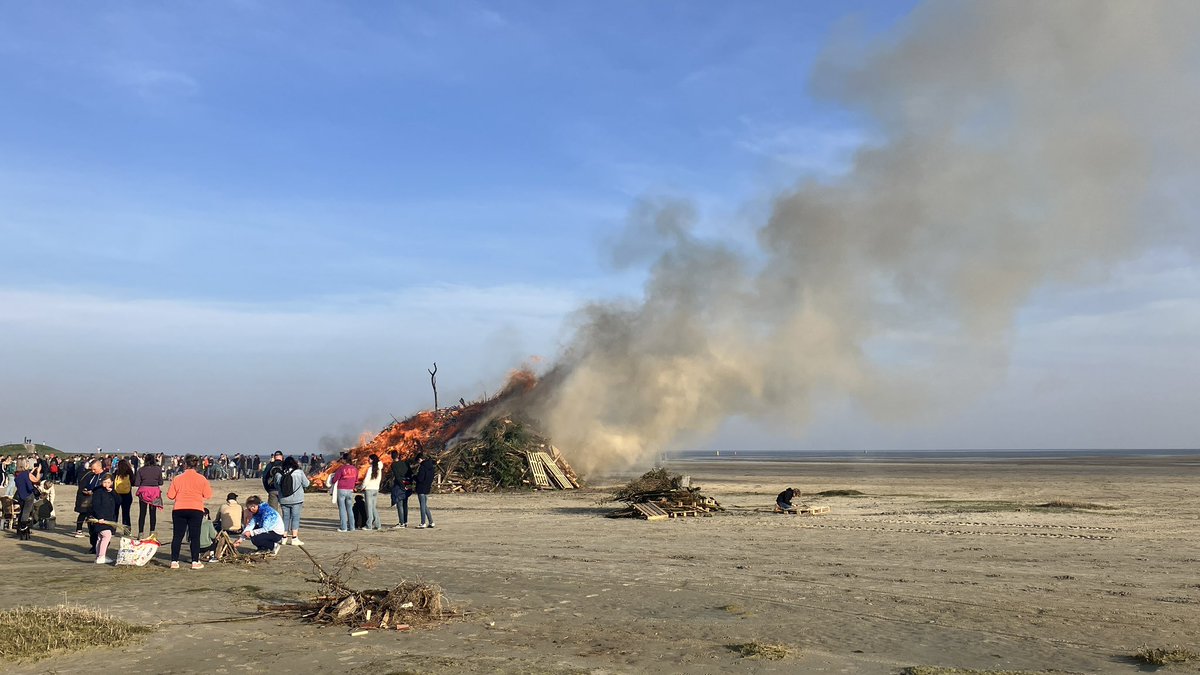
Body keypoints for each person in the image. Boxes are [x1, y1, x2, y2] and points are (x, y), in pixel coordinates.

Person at [167, 454, 212, 570]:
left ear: (185, 464)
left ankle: (174, 561)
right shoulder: (202, 479)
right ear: (197, 465)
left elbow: (170, 495)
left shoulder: (177, 478)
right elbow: (208, 495)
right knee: (195, 536)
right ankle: (195, 561)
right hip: (196, 509)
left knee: (177, 536)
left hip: (179, 508)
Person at [275, 456, 310, 545]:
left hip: (283, 500)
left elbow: (276, 486)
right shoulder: (299, 472)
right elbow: (306, 484)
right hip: (297, 499)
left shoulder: (279, 474)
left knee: (285, 518)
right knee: (295, 518)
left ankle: (284, 537)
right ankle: (294, 538)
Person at [89, 473, 120, 564]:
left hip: (109, 518)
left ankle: (99, 556)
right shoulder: (98, 492)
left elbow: (119, 501)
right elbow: (96, 506)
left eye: (108, 482)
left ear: (112, 482)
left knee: (100, 537)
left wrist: (113, 492)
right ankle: (101, 556)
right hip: (100, 518)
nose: (106, 484)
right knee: (107, 535)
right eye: (105, 482)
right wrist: (100, 517)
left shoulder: (112, 491)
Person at [134, 453, 164, 538]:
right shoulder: (158, 469)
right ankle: (152, 532)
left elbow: (137, 483)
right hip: (154, 493)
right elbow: (161, 482)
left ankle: (140, 533)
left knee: (142, 513)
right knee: (153, 513)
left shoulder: (141, 470)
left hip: (144, 492)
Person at [74, 459, 104, 538]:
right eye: (92, 469)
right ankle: (80, 530)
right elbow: (87, 486)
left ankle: (81, 530)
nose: (93, 471)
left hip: (93, 499)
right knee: (85, 514)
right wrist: (87, 491)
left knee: (86, 514)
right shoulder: (91, 475)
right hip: (87, 498)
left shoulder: (103, 475)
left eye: (94, 469)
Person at [330, 453, 358, 533]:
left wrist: (331, 480)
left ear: (345, 460)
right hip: (350, 490)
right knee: (349, 509)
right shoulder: (355, 469)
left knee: (342, 509)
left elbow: (335, 479)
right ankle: (352, 527)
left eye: (342, 459)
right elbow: (356, 480)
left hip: (341, 489)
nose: (341, 460)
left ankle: (343, 527)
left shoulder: (342, 469)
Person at [388, 450, 415, 529]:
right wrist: (409, 483)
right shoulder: (405, 463)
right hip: (407, 483)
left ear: (392, 457)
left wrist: (402, 486)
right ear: (398, 456)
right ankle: (405, 521)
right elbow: (410, 473)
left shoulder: (394, 465)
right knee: (405, 504)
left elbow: (397, 476)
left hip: (400, 485)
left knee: (399, 503)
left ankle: (401, 523)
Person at [361, 453, 383, 531]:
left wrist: (362, 487)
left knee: (369, 508)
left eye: (369, 459)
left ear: (372, 460)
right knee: (373, 507)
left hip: (369, 489)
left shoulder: (371, 469)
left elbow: (366, 479)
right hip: (376, 489)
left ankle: (369, 525)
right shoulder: (379, 469)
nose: (368, 460)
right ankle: (378, 524)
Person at [414, 452, 436, 529]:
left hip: (421, 488)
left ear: (420, 459)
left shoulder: (422, 467)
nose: (418, 462)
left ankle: (423, 523)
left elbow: (420, 478)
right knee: (425, 506)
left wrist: (414, 477)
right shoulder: (431, 466)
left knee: (422, 506)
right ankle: (431, 522)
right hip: (427, 487)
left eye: (418, 461)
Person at [113, 459, 135, 530]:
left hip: (117, 495)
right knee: (126, 514)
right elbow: (133, 482)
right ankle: (126, 530)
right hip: (127, 495)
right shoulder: (129, 472)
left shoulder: (117, 472)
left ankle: (113, 529)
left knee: (115, 513)